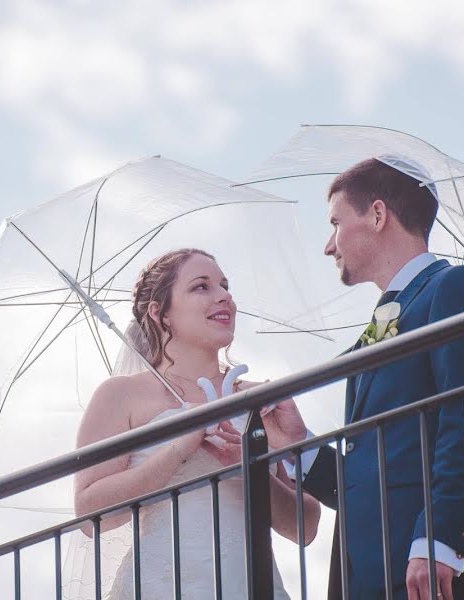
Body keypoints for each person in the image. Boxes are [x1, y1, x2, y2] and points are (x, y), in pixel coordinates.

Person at [269, 158, 464, 599]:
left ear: (377, 215)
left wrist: (437, 539)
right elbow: (369, 475)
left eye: (335, 223)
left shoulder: (457, 288)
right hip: (369, 575)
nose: (329, 245)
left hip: (433, 572)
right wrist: (297, 444)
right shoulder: (385, 319)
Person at [70, 248, 320, 599]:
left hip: (250, 586)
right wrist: (178, 448)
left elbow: (305, 527)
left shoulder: (261, 399)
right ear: (161, 313)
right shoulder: (120, 395)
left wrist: (250, 470)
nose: (225, 297)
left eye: (225, 285)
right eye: (201, 287)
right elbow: (89, 515)